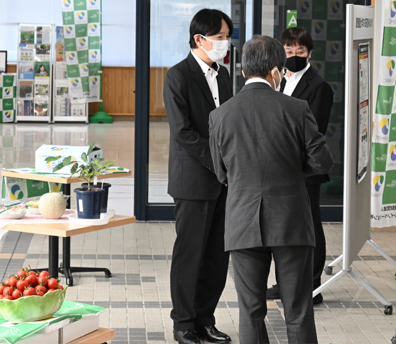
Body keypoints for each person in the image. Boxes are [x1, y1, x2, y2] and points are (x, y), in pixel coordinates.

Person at [209, 35, 334, 344]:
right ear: (277, 72)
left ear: (242, 72)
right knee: (298, 311)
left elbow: (221, 171)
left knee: (250, 312)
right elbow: (323, 162)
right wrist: (293, 171)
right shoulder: (296, 108)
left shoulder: (220, 115)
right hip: (290, 220)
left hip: (242, 222)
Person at [163, 9, 233, 344]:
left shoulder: (225, 76)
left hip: (225, 182)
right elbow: (183, 133)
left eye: (226, 37)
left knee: (218, 256)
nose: (225, 43)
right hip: (194, 180)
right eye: (219, 37)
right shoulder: (177, 76)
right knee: (190, 254)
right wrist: (218, 163)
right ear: (199, 39)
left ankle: (206, 319)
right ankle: (184, 323)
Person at [267, 27, 334, 305]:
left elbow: (313, 132)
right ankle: (287, 283)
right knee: (285, 228)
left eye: (300, 51)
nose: (294, 56)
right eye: (289, 51)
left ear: (310, 53)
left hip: (306, 170)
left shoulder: (319, 87)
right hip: (281, 168)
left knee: (309, 227)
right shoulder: (279, 81)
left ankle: (311, 286)